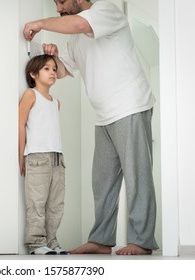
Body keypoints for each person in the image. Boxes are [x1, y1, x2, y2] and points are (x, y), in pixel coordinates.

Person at [23, 0, 159, 255]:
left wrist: (40, 24)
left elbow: (80, 22)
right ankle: (101, 239)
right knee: (103, 182)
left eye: (61, 2)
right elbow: (64, 69)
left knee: (137, 176)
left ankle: (141, 240)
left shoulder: (105, 10)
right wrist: (52, 57)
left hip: (130, 104)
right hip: (104, 115)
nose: (58, 8)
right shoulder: (76, 39)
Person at [19, 54, 68, 255]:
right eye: (47, 69)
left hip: (58, 158)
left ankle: (52, 242)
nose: (53, 72)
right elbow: (20, 125)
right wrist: (21, 156)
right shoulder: (30, 95)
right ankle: (36, 243)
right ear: (33, 74)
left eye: (54, 69)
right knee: (37, 202)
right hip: (37, 157)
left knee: (56, 204)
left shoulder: (56, 101)